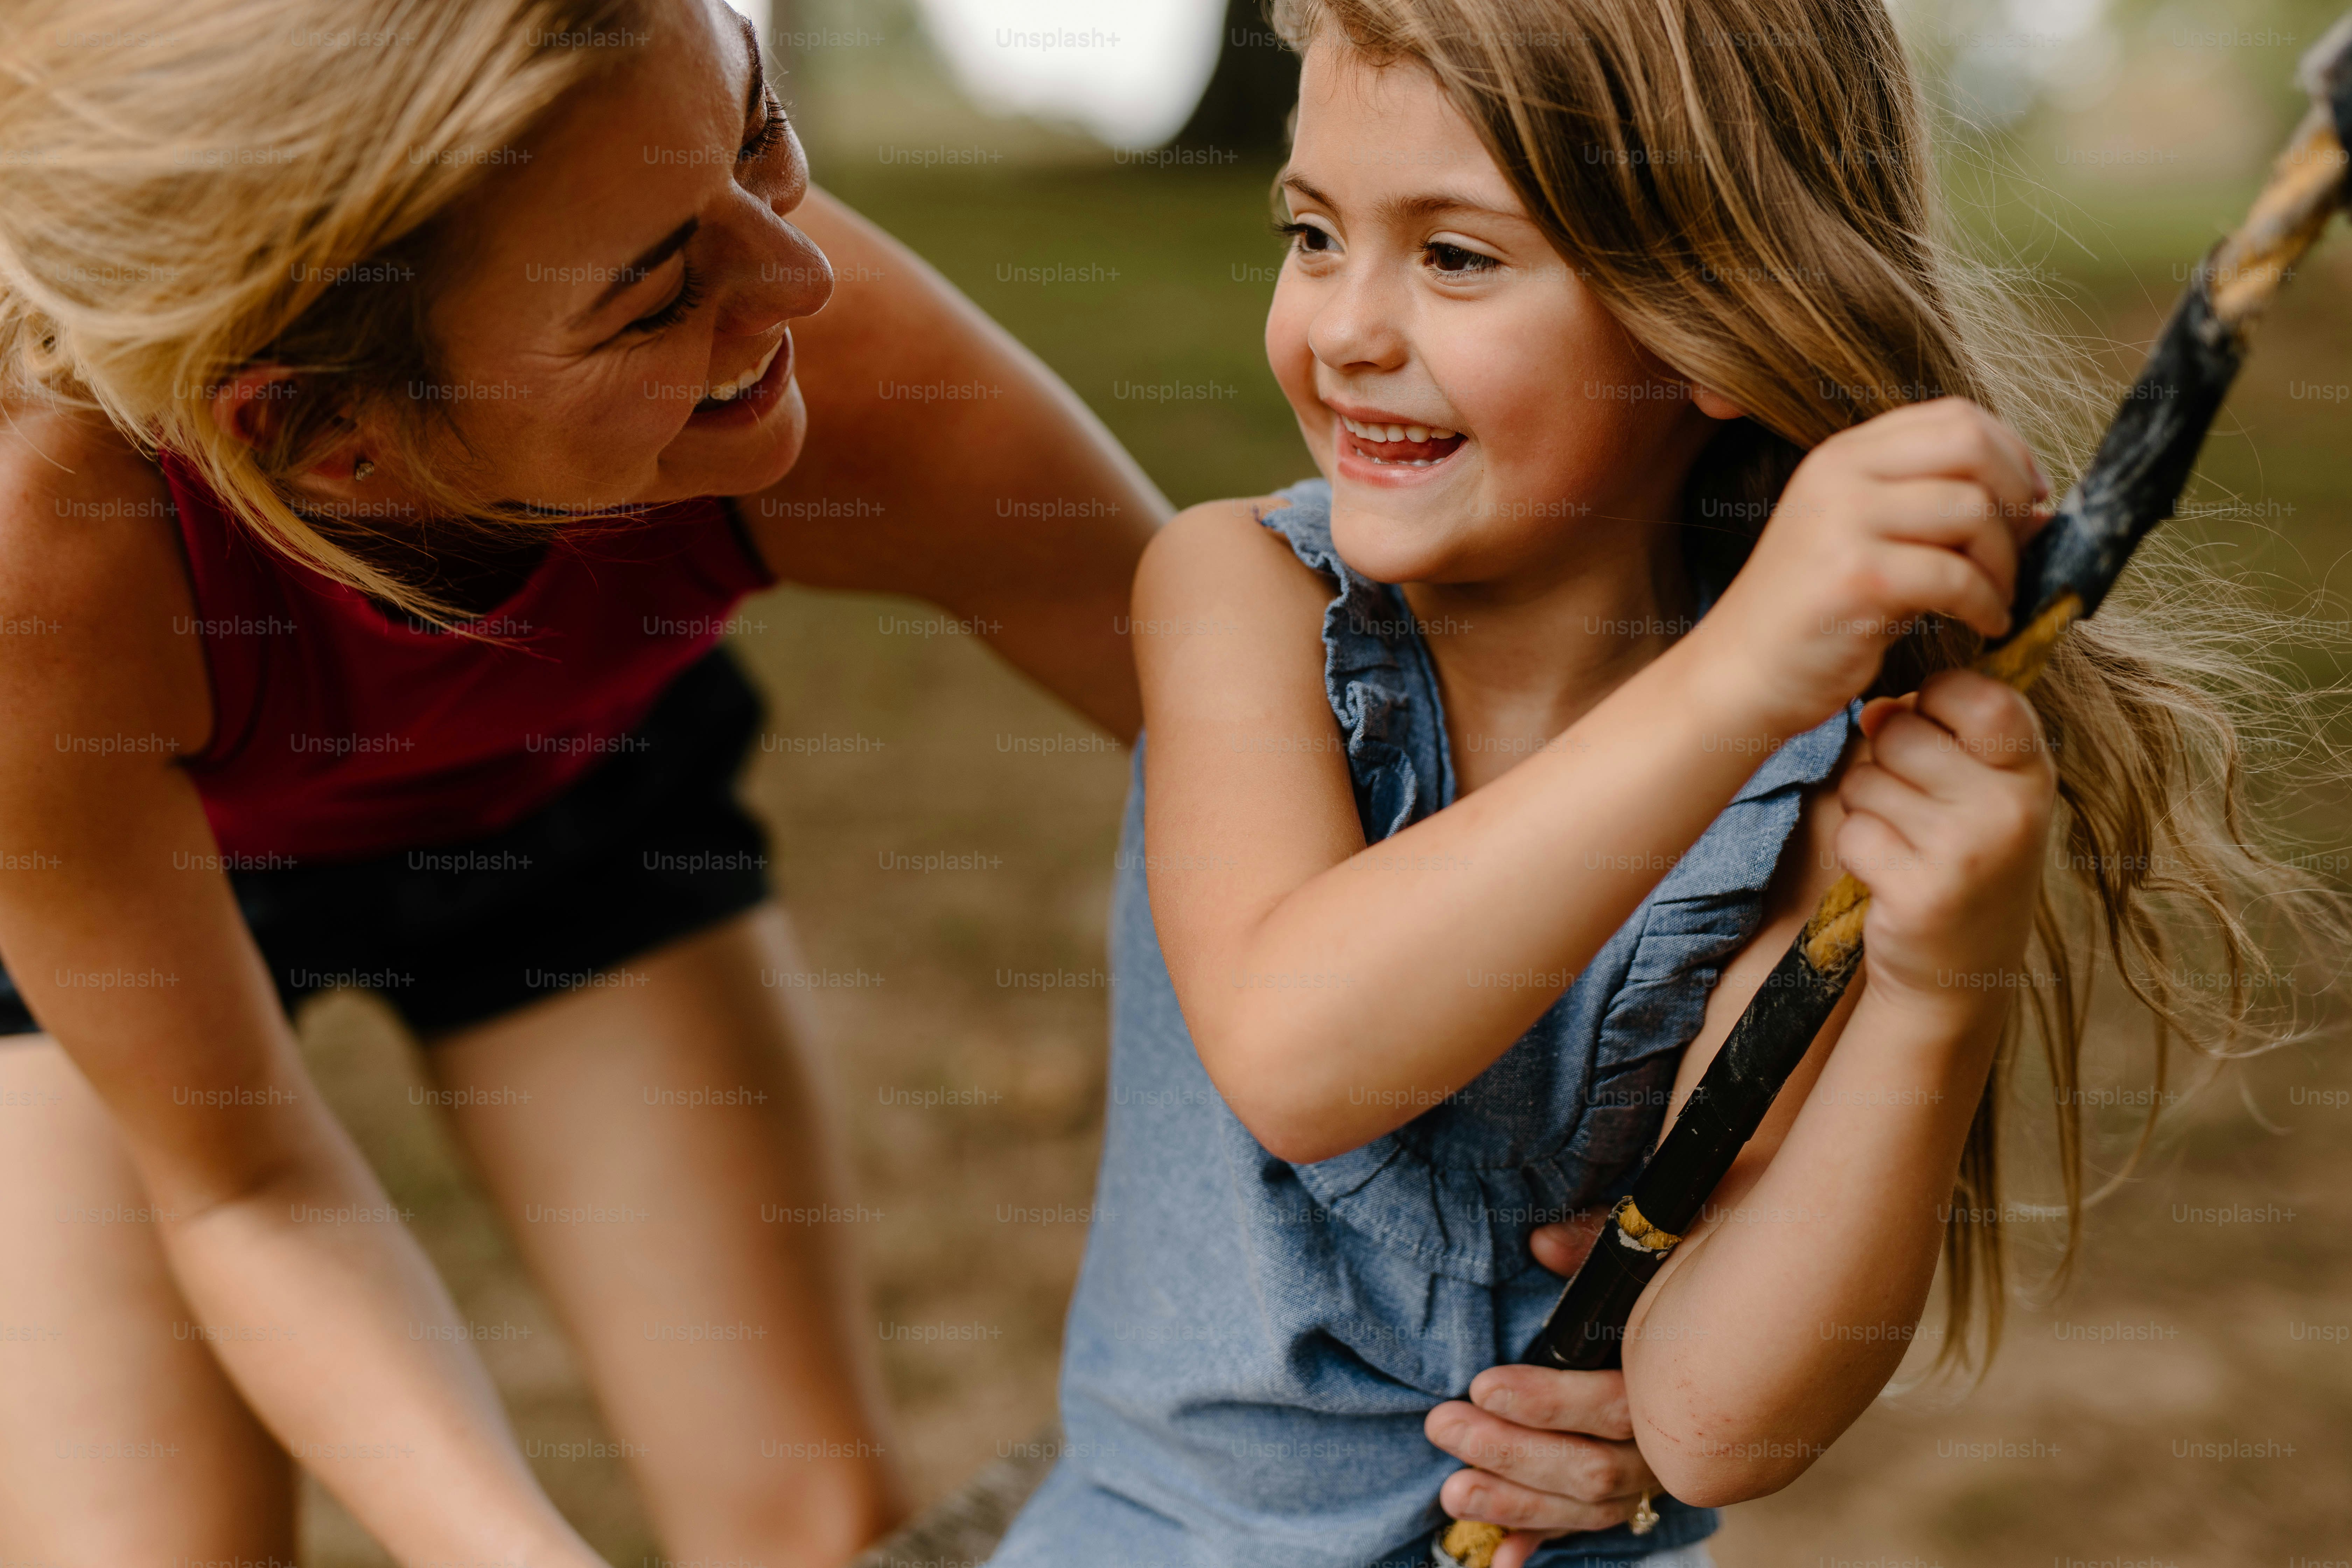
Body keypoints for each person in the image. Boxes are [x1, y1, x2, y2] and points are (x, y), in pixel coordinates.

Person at [983, 1, 2337, 1566]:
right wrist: (1744, 666)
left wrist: (1934, 992)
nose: (1346, 325)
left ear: (1705, 318)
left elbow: (1712, 1418)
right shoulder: (1241, 596)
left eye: (1456, 257)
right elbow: (1304, 1047)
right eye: (1312, 233)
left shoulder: (1818, 789)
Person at [0, 2, 1164, 1565]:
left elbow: (1285, 755)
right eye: (657, 298)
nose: (799, 277)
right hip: (136, 884)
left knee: (812, 1528)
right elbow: (248, 1188)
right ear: (327, 437)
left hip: (560, 807)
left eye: (755, 131)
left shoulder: (820, 337)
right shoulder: (46, 571)